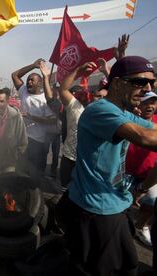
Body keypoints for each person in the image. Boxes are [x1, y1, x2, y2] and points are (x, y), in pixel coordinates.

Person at [59, 56, 156, 275]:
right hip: (97, 208)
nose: (147, 89)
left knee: (127, 265)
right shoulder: (99, 110)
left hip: (116, 201)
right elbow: (145, 138)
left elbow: (152, 129)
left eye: (151, 83)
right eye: (141, 82)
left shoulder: (123, 112)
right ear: (118, 83)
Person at [12, 58, 57, 173]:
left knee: (35, 172)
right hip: (22, 138)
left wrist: (30, 116)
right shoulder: (23, 91)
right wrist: (33, 65)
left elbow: (52, 121)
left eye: (32, 80)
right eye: (27, 80)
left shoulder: (45, 99)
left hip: (38, 141)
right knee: (20, 169)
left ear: (40, 83)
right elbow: (14, 75)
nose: (29, 82)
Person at [126, 91, 157, 246]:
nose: (150, 106)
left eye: (153, 102)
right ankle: (122, 228)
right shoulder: (127, 119)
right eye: (146, 102)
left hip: (149, 174)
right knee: (121, 203)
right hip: (125, 173)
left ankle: (141, 226)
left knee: (152, 202)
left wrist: (143, 189)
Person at [0, 88, 27, 176]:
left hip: (9, 159)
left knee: (7, 184)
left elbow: (23, 139)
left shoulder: (15, 115)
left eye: (1, 101)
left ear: (7, 101)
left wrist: (17, 156)